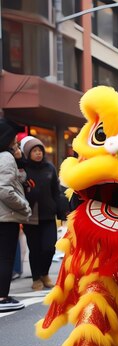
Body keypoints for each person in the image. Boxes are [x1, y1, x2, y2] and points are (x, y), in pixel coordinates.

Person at [21, 137, 67, 291]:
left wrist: (61, 210)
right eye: (34, 151)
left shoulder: (49, 168)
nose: (38, 153)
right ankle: (36, 278)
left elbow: (56, 190)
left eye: (40, 150)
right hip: (30, 217)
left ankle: (44, 273)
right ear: (28, 153)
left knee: (49, 248)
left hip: (48, 215)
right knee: (34, 249)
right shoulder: (23, 169)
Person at [0, 119, 32, 311]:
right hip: (6, 216)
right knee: (5, 258)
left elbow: (19, 179)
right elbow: (4, 188)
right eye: (14, 138)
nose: (16, 141)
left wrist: (19, 160)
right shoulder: (5, 157)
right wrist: (24, 206)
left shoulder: (8, 156)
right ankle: (2, 297)